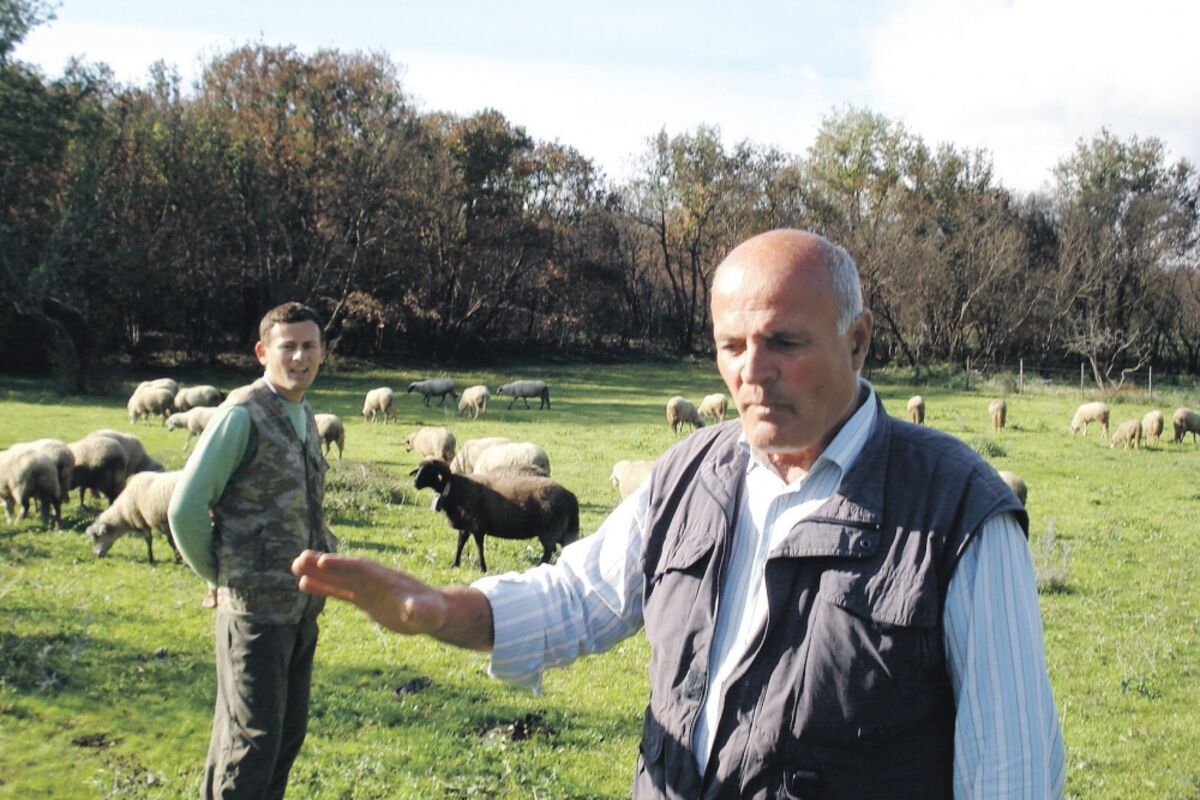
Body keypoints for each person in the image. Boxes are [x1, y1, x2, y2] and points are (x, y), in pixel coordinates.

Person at [291, 230, 1065, 799]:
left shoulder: (958, 514)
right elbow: (577, 598)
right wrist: (442, 611)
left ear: (857, 340)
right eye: (731, 345)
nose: (751, 373)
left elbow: (1012, 775)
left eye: (784, 343)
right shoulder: (689, 473)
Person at [170, 301, 338, 800]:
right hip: (255, 615)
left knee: (284, 737)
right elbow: (184, 509)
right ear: (263, 352)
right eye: (288, 346)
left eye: (309, 346)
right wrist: (221, 577)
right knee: (251, 744)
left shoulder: (303, 412)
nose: (300, 356)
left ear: (322, 352)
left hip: (300, 608)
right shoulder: (242, 415)